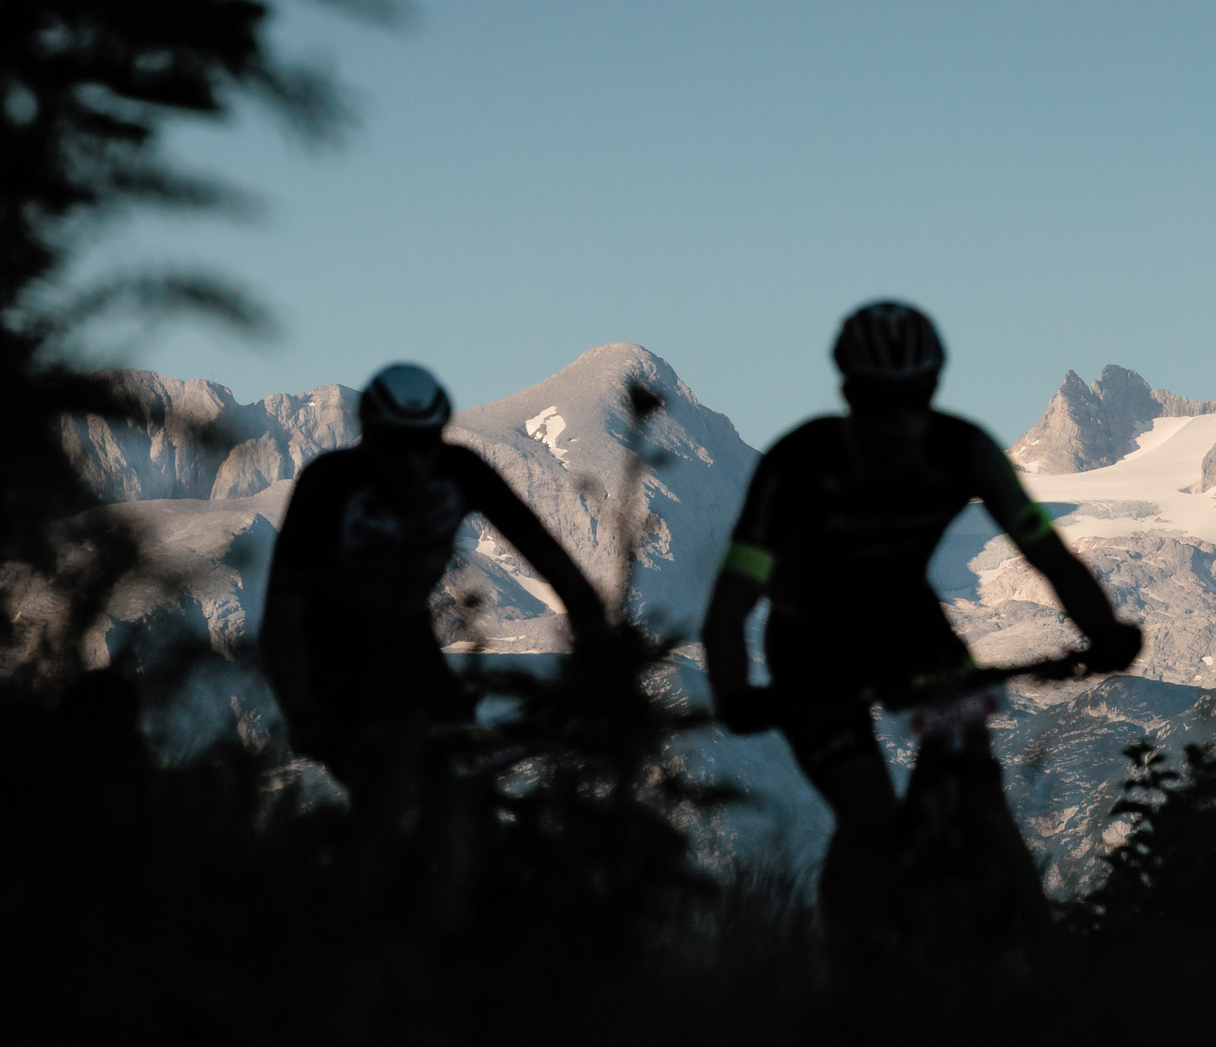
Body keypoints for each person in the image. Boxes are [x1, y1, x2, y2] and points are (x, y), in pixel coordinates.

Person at [699, 300, 1143, 966]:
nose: (901, 421)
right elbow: (732, 601)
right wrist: (736, 691)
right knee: (871, 817)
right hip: (810, 651)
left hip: (912, 630)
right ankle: (852, 978)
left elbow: (1048, 556)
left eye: (916, 400)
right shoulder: (800, 465)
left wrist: (1103, 630)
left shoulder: (961, 450)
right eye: (882, 403)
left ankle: (1046, 971)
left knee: (978, 793)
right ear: (851, 397)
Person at [260, 362, 612, 903]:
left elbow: (547, 554)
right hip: (330, 650)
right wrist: (304, 713)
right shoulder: (330, 484)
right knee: (384, 789)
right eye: (396, 447)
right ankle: (356, 913)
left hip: (407, 640)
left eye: (425, 444)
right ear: (369, 439)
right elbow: (282, 618)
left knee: (458, 791)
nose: (413, 462)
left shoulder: (460, 471)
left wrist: (597, 648)